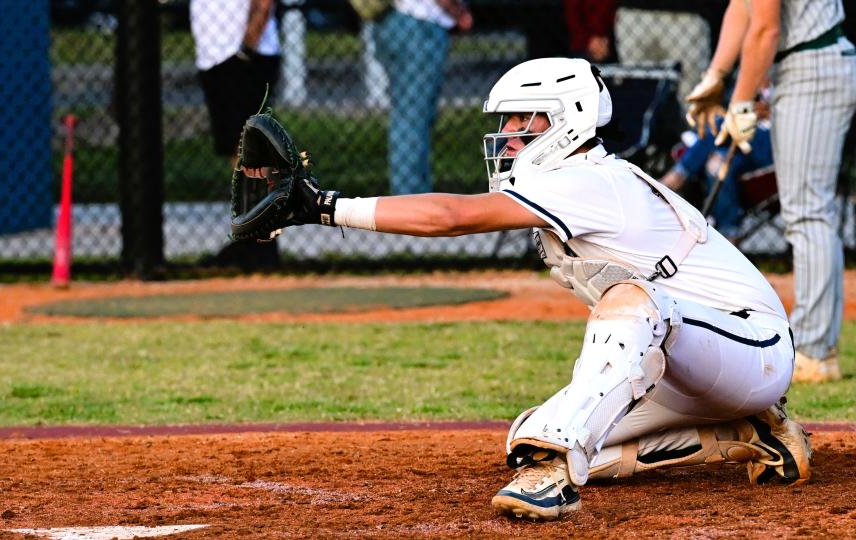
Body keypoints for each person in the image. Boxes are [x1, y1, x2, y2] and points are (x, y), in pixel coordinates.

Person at [247, 58, 811, 520]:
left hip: (751, 346)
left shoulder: (587, 178)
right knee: (526, 436)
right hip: (696, 363)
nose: (509, 135)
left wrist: (326, 207)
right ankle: (746, 433)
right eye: (509, 122)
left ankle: (556, 476)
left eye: (525, 121)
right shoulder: (576, 179)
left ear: (567, 121)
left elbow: (449, 217)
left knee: (622, 317)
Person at [686, 0, 856, 383]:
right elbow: (740, 8)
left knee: (808, 213)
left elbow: (765, 29)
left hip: (810, 66)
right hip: (808, 64)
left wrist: (741, 102)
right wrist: (715, 75)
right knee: (811, 214)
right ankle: (819, 349)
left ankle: (813, 349)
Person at [191, 0, 281, 268]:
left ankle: (261, 245)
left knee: (251, 150)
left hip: (244, 55)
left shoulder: (245, 53)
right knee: (237, 151)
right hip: (215, 55)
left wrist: (246, 47)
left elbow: (264, 3)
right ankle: (252, 238)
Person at [373, 0, 472, 195]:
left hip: (395, 21)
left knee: (408, 116)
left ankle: (411, 197)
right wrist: (458, 12)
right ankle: (410, 201)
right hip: (418, 24)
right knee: (412, 120)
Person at [661, 107, 774, 241]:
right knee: (717, 163)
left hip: (770, 146)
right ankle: (728, 232)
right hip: (739, 147)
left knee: (726, 123)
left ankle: (676, 176)